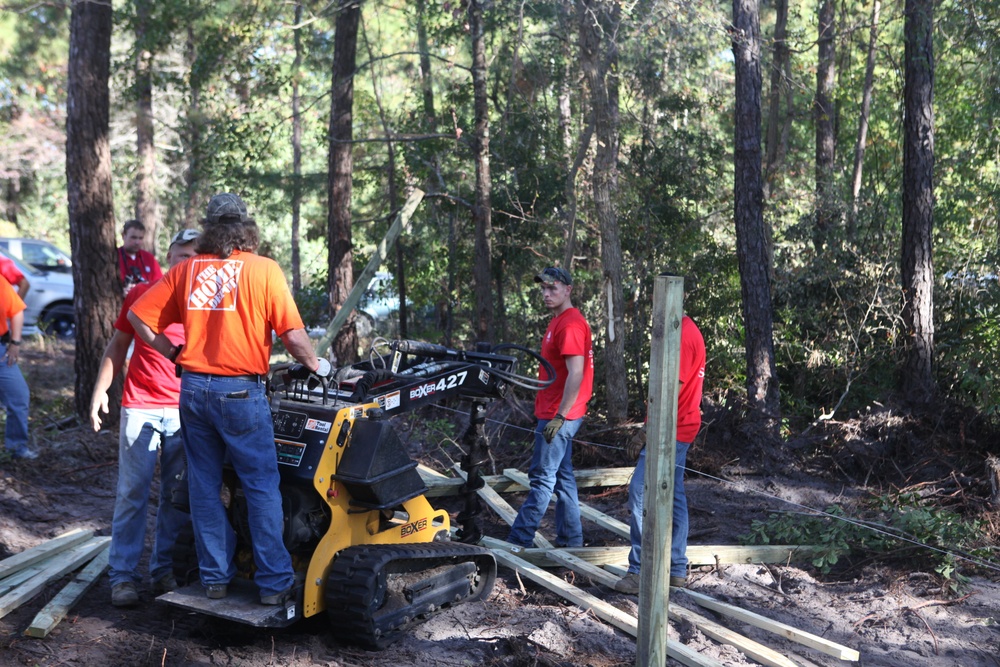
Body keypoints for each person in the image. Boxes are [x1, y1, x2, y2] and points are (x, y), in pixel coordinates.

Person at [128, 193, 327, 606]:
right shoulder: (264, 270)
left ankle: (215, 579)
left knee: (204, 485)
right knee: (260, 486)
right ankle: (274, 584)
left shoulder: (185, 270)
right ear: (246, 228)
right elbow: (291, 335)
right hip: (240, 392)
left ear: (209, 229)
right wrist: (316, 365)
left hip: (194, 389)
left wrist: (174, 354)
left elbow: (138, 317)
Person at [90, 229, 201, 607]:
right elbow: (118, 344)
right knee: (132, 493)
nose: (184, 262)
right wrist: (100, 390)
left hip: (186, 411)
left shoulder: (209, 303)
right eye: (179, 254)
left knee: (176, 496)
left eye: (192, 256)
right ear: (167, 257)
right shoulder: (143, 294)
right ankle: (122, 576)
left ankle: (163, 570)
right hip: (140, 405)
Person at [615, 314, 705, 594]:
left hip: (671, 429)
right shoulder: (679, 330)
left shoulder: (683, 335)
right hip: (676, 425)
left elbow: (669, 393)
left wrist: (647, 432)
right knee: (674, 493)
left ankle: (641, 569)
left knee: (640, 491)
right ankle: (676, 567)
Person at [508, 266, 594, 548]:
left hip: (560, 415)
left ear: (567, 290)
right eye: (543, 289)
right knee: (562, 477)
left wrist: (560, 416)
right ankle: (572, 540)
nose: (546, 294)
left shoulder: (569, 324)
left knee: (542, 478)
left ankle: (519, 540)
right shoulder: (559, 320)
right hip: (558, 412)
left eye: (552, 288)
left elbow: (577, 373)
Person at [0, 275, 33, 460]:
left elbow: (17, 310)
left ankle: (17, 449)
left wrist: (15, 342)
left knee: (19, 396)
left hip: (1, 351)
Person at [118, 219, 163, 294]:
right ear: (123, 236)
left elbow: (160, 284)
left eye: (140, 238)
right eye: (133, 237)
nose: (137, 242)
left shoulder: (149, 258)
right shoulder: (114, 256)